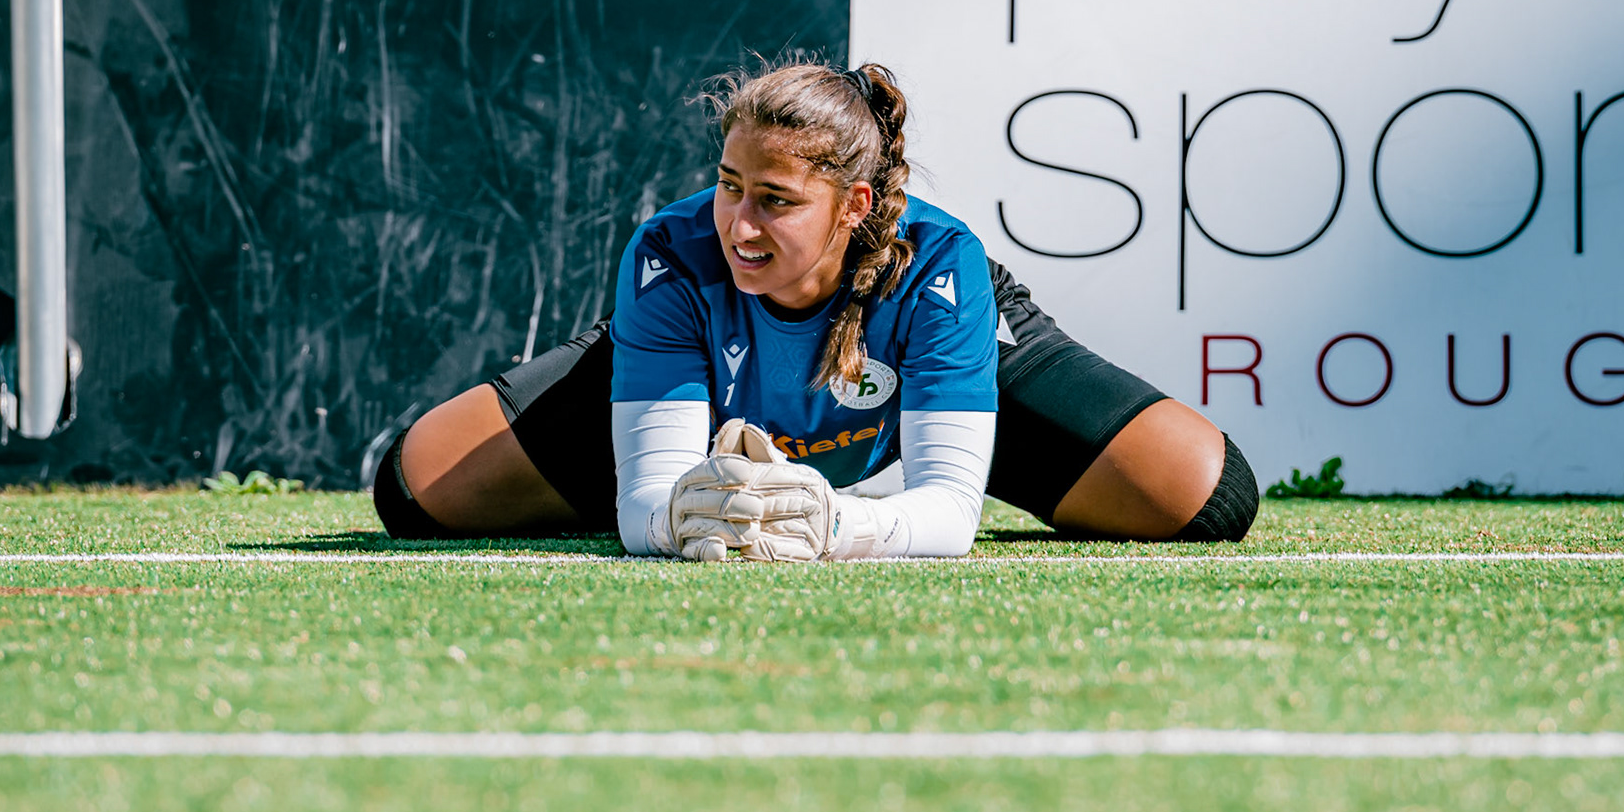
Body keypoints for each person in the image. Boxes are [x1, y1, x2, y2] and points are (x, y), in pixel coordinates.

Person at [374, 61, 1258, 558]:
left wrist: (840, 522)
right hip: (700, 359)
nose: (739, 225)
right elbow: (649, 505)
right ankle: (673, 420)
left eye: (776, 201)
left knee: (1205, 495)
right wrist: (685, 510)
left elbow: (950, 517)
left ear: (855, 207)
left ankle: (928, 427)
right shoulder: (673, 253)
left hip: (930, 349)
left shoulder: (939, 264)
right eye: (728, 188)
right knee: (416, 489)